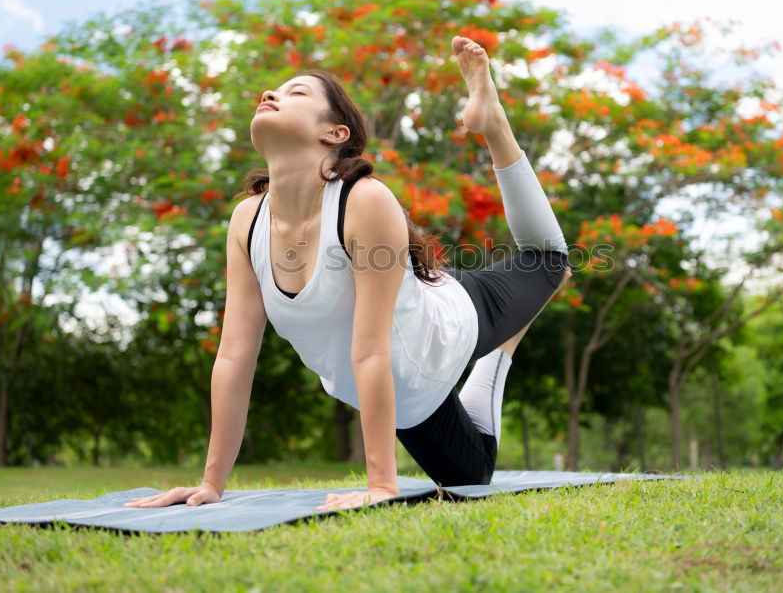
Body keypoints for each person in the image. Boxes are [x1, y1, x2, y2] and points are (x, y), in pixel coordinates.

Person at [124, 35, 571, 512]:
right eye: (273, 90)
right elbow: (234, 354)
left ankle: (494, 123)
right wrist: (211, 484)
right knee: (473, 477)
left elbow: (371, 347)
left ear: (335, 134)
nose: (270, 95)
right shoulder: (247, 221)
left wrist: (382, 484)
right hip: (405, 393)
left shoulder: (364, 200)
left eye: (296, 93)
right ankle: (501, 352)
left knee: (550, 260)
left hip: (448, 326)